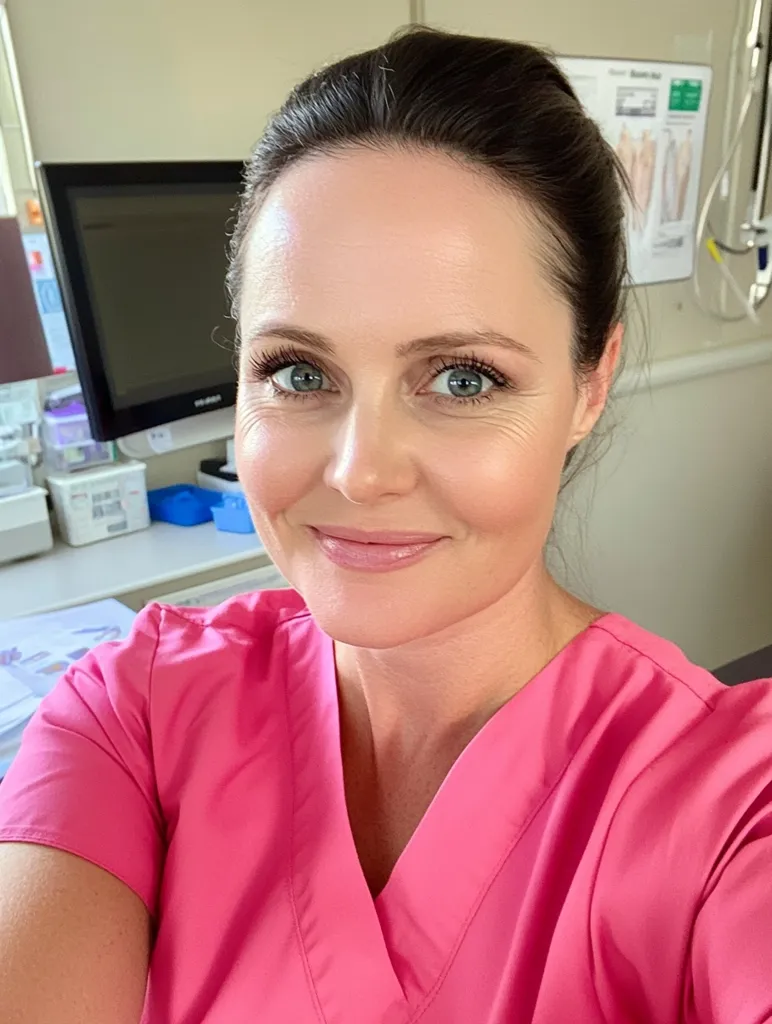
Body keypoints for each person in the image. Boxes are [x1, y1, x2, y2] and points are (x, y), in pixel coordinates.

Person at [1, 27, 771, 1024]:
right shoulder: (134, 711)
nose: (360, 471)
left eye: (461, 377)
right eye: (299, 371)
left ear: (592, 382)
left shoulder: (724, 806)